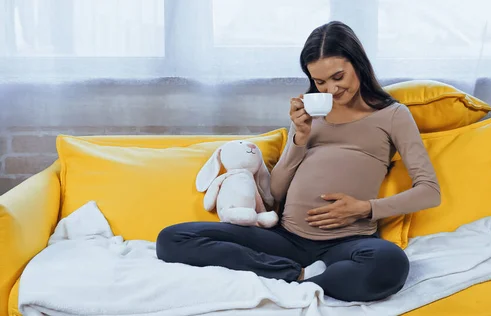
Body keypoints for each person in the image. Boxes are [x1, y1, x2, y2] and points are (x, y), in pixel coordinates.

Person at [155, 21, 441, 303]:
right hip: (287, 238)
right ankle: (296, 275)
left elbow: (429, 191)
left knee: (390, 264)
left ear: (359, 63)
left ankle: (304, 280)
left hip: (349, 241)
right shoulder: (309, 113)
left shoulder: (393, 115)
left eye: (338, 76)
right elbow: (274, 195)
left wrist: (365, 209)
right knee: (172, 238)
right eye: (320, 82)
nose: (331, 90)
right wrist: (299, 138)